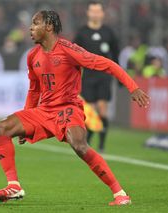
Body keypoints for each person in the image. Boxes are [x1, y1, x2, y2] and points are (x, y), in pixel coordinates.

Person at [0, 10, 150, 206]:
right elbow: (34, 90)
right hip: (43, 111)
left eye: (35, 23)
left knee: (80, 146)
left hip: (68, 108)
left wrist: (133, 88)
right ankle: (13, 185)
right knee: (1, 128)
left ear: (49, 26)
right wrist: (26, 119)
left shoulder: (68, 50)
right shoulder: (32, 56)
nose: (30, 28)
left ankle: (120, 193)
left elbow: (107, 64)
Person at [73, 1, 119, 151]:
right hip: (88, 76)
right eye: (92, 11)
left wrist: (119, 76)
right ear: (88, 13)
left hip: (104, 76)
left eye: (98, 11)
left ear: (102, 14)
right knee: (90, 111)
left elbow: (116, 55)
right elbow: (72, 55)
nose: (95, 14)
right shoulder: (81, 33)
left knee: (102, 108)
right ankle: (89, 141)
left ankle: (101, 145)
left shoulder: (109, 32)